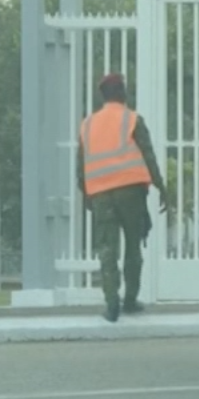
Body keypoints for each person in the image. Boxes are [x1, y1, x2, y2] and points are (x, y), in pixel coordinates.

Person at [77, 74, 169, 323]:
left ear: (102, 96)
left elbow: (80, 164)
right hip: (130, 190)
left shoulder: (87, 124)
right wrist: (161, 187)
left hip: (100, 193)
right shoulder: (132, 120)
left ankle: (111, 302)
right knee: (132, 245)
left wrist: (86, 194)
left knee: (107, 248)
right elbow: (148, 155)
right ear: (123, 93)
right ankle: (130, 299)